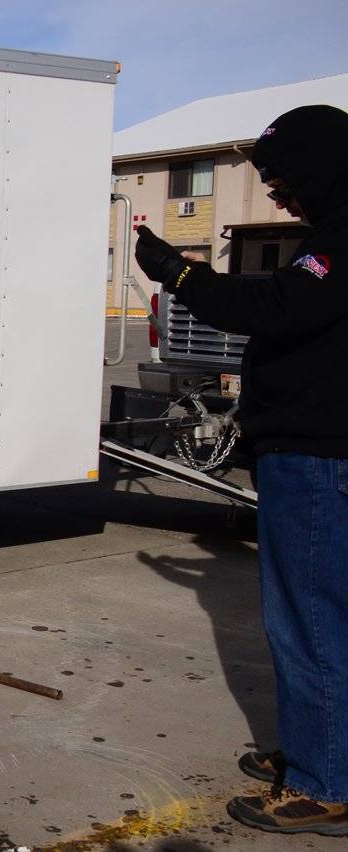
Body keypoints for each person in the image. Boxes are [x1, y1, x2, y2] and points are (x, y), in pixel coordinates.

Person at [134, 104, 348, 836]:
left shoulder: (343, 238)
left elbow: (280, 305)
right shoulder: (332, 233)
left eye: (284, 179)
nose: (279, 194)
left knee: (311, 622)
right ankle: (328, 752)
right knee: (324, 619)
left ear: (321, 164)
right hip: (317, 457)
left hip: (321, 462)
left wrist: (179, 274)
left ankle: (325, 784)